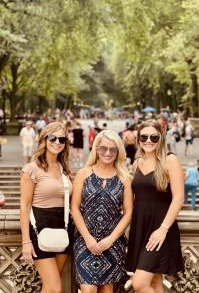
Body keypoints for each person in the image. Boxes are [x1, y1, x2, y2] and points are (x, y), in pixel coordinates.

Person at [126, 120, 184, 293]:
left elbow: (179, 198)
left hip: (161, 229)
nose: (148, 140)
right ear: (138, 138)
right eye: (144, 136)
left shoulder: (170, 160)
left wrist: (163, 229)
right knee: (155, 282)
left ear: (161, 138)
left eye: (154, 136)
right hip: (140, 227)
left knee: (139, 283)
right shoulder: (137, 163)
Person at [71, 129, 133, 293]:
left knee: (107, 288)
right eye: (103, 148)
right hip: (85, 240)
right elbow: (75, 208)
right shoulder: (83, 174)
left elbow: (128, 213)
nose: (107, 153)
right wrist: (88, 238)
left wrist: (111, 239)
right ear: (96, 149)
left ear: (118, 151)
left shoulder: (125, 178)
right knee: (88, 288)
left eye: (113, 149)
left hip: (112, 242)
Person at [20, 122, 74, 293]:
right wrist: (26, 241)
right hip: (39, 227)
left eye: (62, 139)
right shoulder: (31, 169)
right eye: (53, 138)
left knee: (50, 286)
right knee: (54, 287)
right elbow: (24, 206)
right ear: (44, 139)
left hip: (63, 228)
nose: (57, 142)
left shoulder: (64, 169)